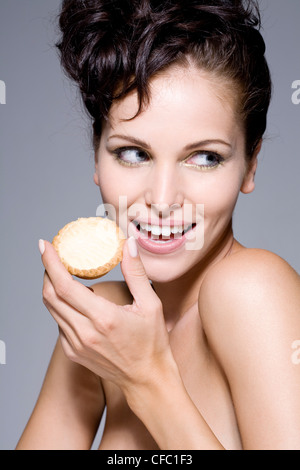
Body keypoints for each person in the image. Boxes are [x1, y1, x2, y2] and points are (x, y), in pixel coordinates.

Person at [16, 0, 300, 450]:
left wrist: (147, 377)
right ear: (97, 155)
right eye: (134, 152)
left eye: (205, 157)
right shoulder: (104, 325)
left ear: (250, 165)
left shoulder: (251, 289)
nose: (163, 200)